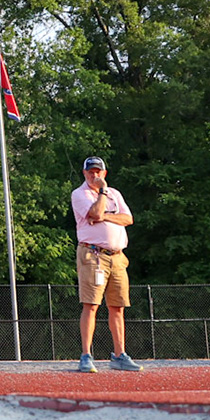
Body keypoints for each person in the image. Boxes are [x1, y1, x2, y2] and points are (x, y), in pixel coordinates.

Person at [72, 157, 142, 373]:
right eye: (91, 172)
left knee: (118, 307)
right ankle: (86, 356)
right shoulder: (80, 194)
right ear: (84, 173)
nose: (95, 175)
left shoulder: (116, 194)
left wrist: (106, 217)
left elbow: (128, 219)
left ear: (105, 173)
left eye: (98, 172)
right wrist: (101, 194)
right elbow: (94, 214)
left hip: (118, 256)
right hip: (93, 255)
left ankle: (120, 355)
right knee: (91, 305)